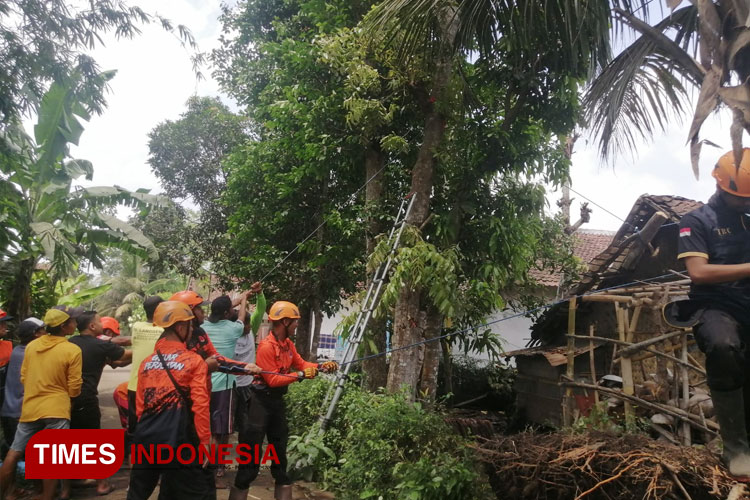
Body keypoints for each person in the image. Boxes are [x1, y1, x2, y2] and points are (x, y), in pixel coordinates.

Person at [676, 147, 750, 480]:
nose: (745, 202)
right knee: (723, 347)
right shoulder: (697, 220)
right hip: (715, 305)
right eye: (740, 197)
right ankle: (736, 448)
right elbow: (698, 273)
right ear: (721, 186)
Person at [230, 301, 338, 500]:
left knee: (280, 461)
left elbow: (302, 364)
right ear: (285, 321)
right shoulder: (266, 347)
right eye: (295, 322)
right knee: (249, 465)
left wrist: (321, 367)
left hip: (277, 405)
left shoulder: (288, 345)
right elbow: (272, 380)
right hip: (259, 405)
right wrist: (300, 375)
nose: (297, 325)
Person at [127, 300, 214, 500]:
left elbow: (140, 406)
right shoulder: (193, 361)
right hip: (179, 440)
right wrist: (204, 443)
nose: (192, 330)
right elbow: (200, 406)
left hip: (146, 438)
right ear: (180, 327)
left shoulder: (147, 362)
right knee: (197, 491)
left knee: (137, 493)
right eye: (190, 325)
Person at [0, 307, 82, 500]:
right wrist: (66, 396)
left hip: (30, 408)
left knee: (13, 453)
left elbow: (23, 376)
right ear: (64, 327)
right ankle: (48, 497)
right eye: (72, 322)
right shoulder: (72, 349)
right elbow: (75, 385)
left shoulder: (31, 347)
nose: (75, 324)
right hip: (56, 408)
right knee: (53, 456)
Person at [66, 311, 132, 496]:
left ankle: (73, 481)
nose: (101, 324)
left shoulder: (71, 343)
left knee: (73, 439)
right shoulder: (99, 345)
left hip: (66, 399)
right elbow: (124, 355)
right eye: (98, 322)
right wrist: (148, 348)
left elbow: (116, 363)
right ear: (92, 326)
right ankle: (102, 484)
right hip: (86, 397)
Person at [202, 286, 260, 488]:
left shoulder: (203, 327)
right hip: (224, 387)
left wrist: (242, 296)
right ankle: (211, 472)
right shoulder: (233, 328)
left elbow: (226, 310)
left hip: (202, 385)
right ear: (228, 313)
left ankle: (202, 468)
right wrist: (244, 300)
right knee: (220, 433)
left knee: (205, 430)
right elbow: (242, 318)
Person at [169, 291, 257, 376]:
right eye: (199, 308)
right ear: (188, 311)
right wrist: (205, 366)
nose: (203, 312)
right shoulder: (171, 344)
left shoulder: (200, 333)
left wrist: (244, 367)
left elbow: (216, 358)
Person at [0, 318, 45, 460]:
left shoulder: (15, 350)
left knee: (16, 454)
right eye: (43, 330)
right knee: (20, 455)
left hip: (12, 410)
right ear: (35, 334)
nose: (46, 333)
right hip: (20, 412)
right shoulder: (29, 354)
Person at [127, 296, 165, 435]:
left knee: (135, 428)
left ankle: (132, 454)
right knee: (155, 427)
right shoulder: (165, 330)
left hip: (135, 385)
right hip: (157, 387)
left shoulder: (137, 327)